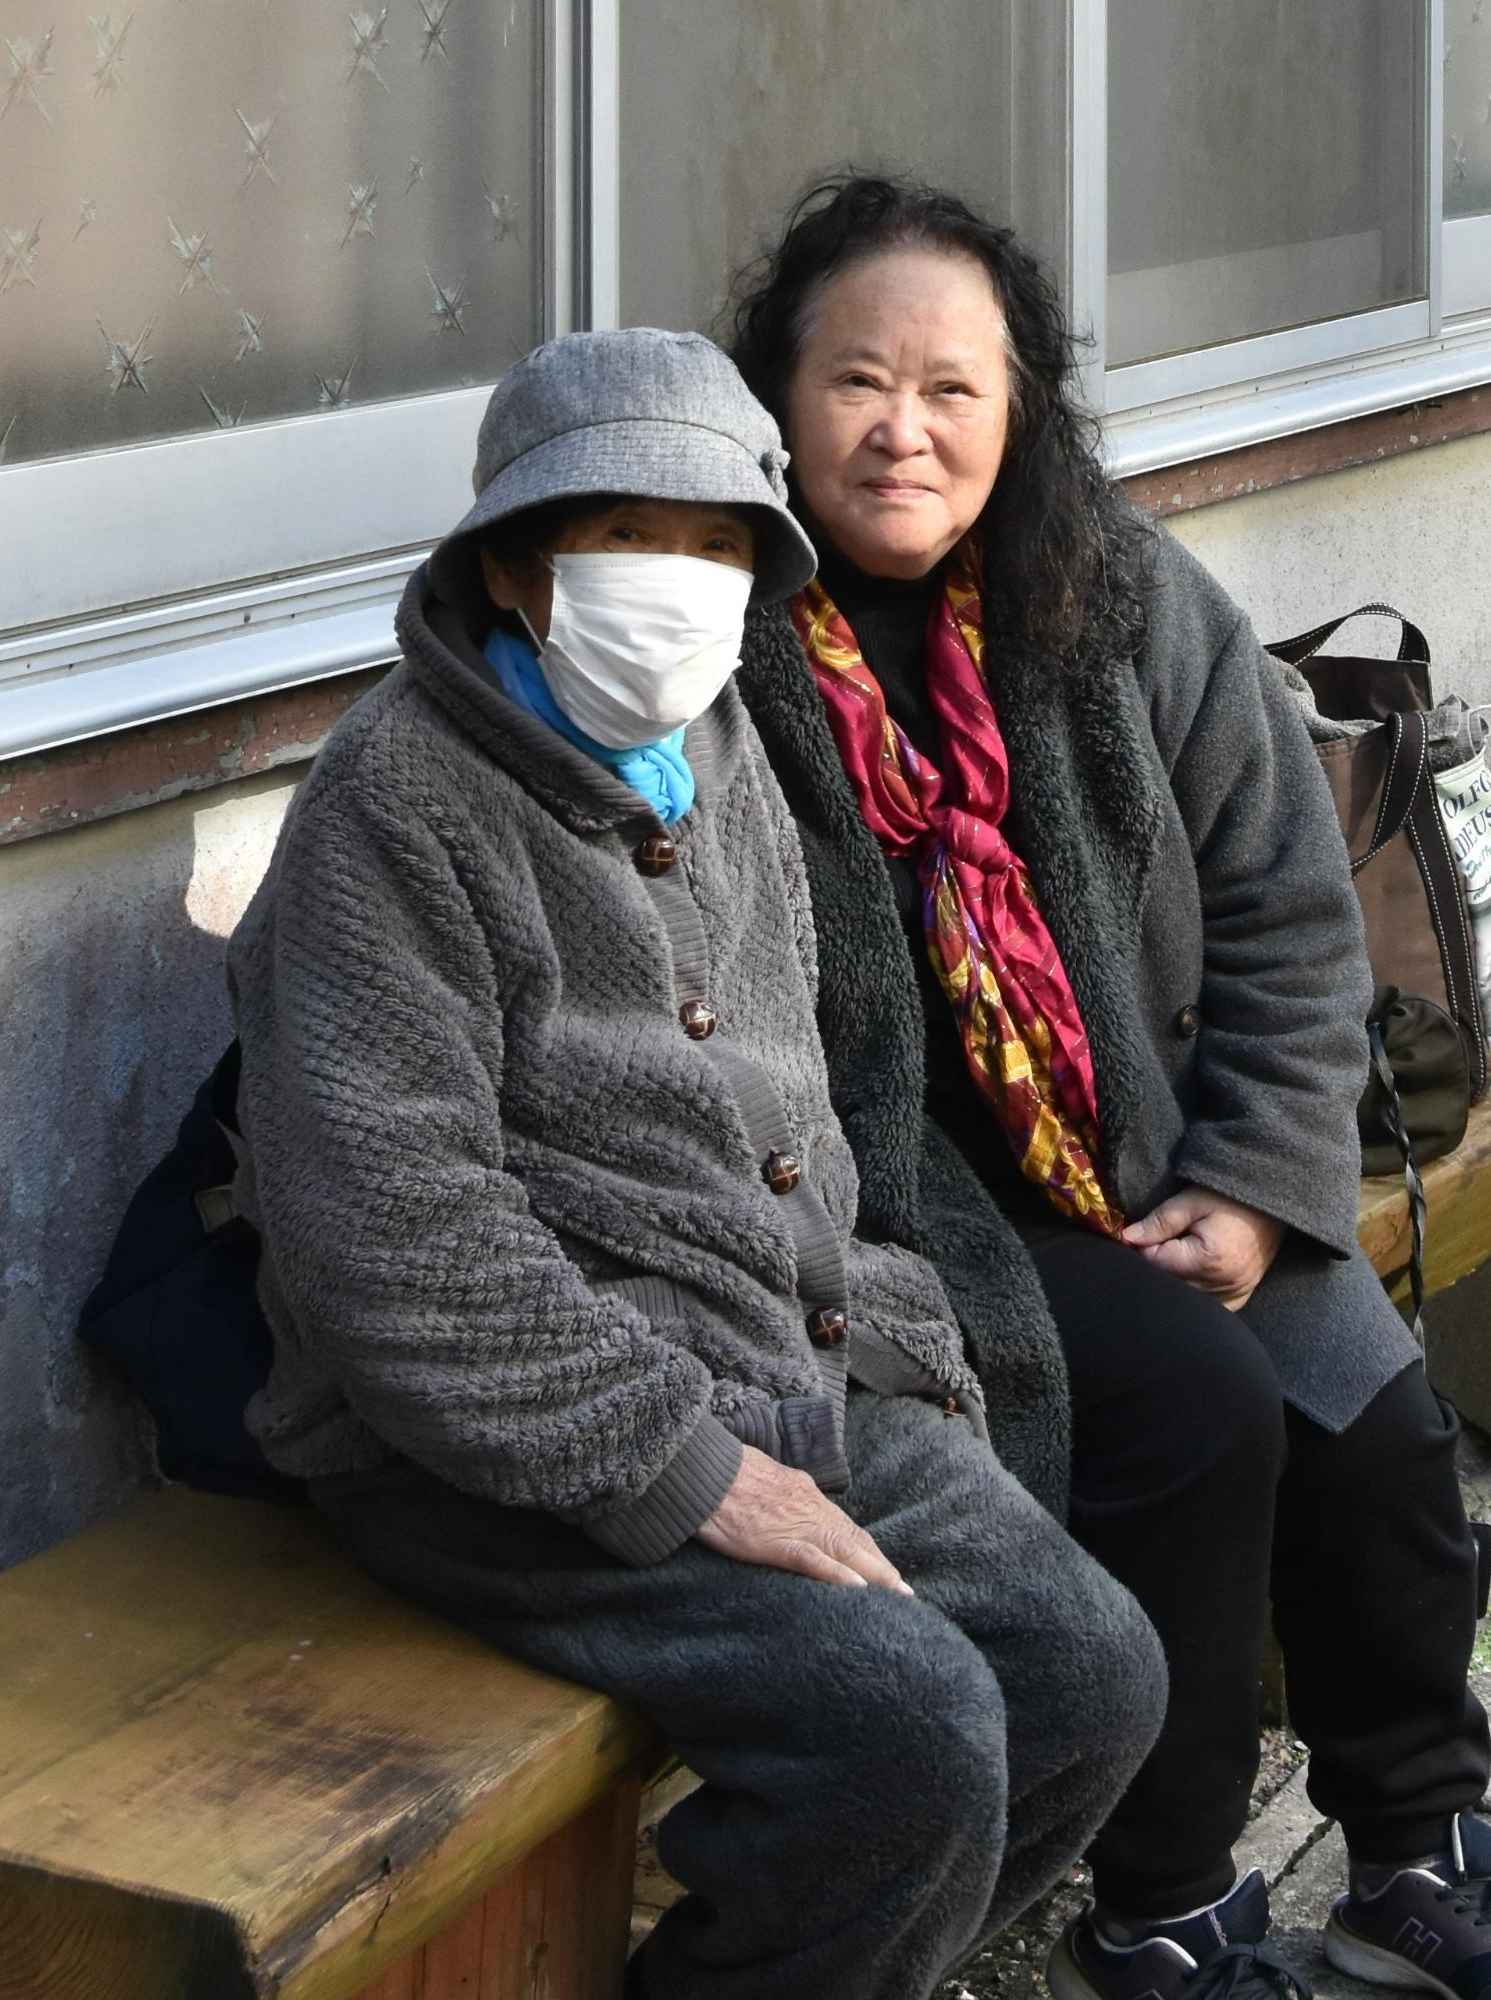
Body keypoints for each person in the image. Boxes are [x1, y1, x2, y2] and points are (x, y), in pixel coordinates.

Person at [725, 175, 1491, 2000]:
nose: (904, 430)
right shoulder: (710, 640)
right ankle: (1170, 1906)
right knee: (1192, 1415)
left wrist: (1252, 1179)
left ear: (1019, 407)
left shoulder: (1112, 598)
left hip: (1145, 1151)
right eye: (854, 383)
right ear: (777, 402)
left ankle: (1415, 1848)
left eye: (952, 387)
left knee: (1374, 1435)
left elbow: (1291, 911)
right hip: (899, 1213)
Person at [224, 326, 1167, 2000]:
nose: (677, 579)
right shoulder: (394, 804)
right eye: (624, 536)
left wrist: (881, 1338)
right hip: (492, 1434)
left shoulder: (721, 748)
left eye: (718, 542)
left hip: (770, 1362)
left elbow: (788, 1098)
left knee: (1087, 1671)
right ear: (518, 566)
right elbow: (391, 1240)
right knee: (908, 1729)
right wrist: (691, 1467)